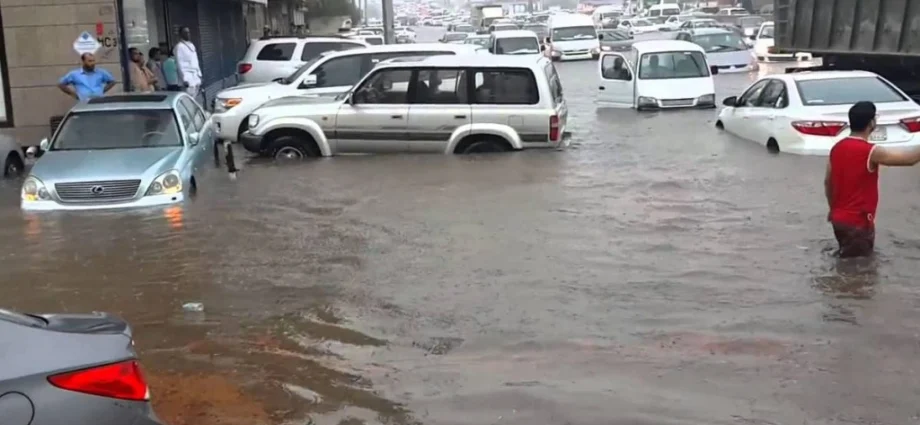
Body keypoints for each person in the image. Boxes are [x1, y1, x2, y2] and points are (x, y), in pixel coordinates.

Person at [826, 101, 920, 257]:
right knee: (860, 270)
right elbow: (909, 160)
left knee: (846, 261)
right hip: (858, 222)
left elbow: (827, 183)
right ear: (871, 123)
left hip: (838, 219)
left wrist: (833, 210)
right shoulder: (871, 151)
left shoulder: (836, 148)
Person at [174, 26, 202, 97]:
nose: (188, 34)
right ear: (180, 34)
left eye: (188, 32)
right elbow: (179, 64)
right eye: (185, 33)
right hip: (187, 78)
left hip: (195, 77)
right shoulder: (179, 47)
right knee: (188, 99)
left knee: (194, 99)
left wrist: (199, 75)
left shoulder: (191, 45)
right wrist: (184, 79)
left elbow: (196, 61)